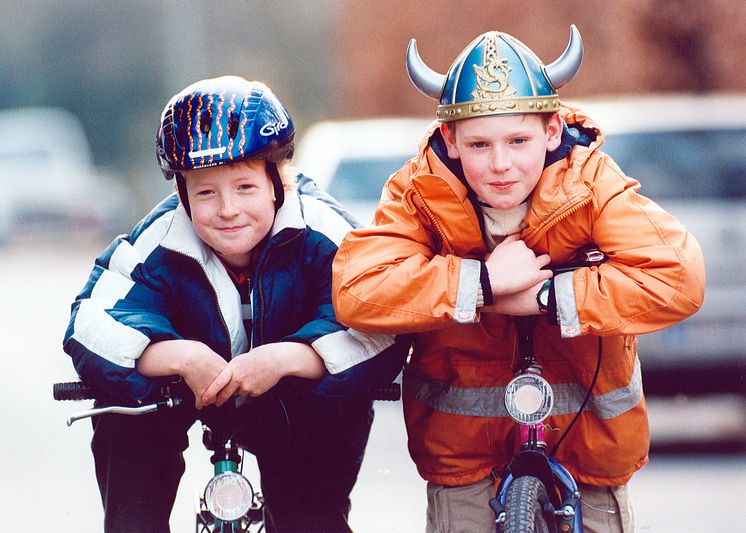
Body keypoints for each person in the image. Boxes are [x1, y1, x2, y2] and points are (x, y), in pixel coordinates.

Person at [332, 26, 705, 533]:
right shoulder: (418, 192)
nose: (501, 164)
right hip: (463, 452)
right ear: (451, 139)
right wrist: (481, 283)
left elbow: (679, 276)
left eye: (519, 140)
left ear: (552, 131)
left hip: (590, 444)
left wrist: (549, 296)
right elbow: (357, 290)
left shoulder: (591, 182)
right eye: (480, 144)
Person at [63, 75, 405, 533]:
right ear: (181, 194)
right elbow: (88, 322)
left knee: (310, 515)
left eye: (245, 187)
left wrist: (291, 357)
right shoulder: (159, 239)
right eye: (206, 192)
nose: (227, 209)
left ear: (279, 181)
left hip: (295, 402)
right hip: (183, 394)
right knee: (125, 427)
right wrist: (177, 355)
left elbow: (383, 324)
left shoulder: (326, 234)